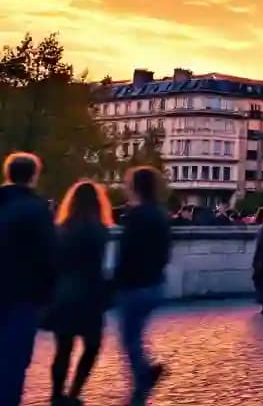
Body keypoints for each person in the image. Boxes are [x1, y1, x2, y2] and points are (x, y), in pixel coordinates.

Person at [45, 180, 111, 406]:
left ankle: (56, 394)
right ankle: (74, 392)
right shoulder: (99, 230)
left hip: (64, 292)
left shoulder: (61, 229)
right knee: (91, 346)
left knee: (63, 349)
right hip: (89, 294)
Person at [0, 152, 56, 406]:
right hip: (23, 295)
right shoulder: (37, 209)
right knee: (15, 361)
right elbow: (47, 256)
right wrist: (47, 296)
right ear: (33, 176)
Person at [112, 166, 171, 406]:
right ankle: (143, 377)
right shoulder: (160, 214)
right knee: (135, 334)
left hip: (135, 284)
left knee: (129, 337)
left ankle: (143, 377)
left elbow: (126, 253)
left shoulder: (136, 216)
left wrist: (116, 281)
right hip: (155, 283)